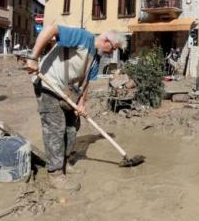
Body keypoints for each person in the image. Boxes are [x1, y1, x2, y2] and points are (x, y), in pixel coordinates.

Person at [24, 25, 126, 191]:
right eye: (112, 49)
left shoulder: (95, 57)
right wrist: (33, 57)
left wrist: (82, 103)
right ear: (106, 40)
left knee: (72, 127)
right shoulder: (82, 37)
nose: (111, 53)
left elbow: (85, 83)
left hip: (68, 91)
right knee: (55, 128)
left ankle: (65, 163)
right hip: (48, 84)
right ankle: (55, 174)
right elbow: (50, 29)